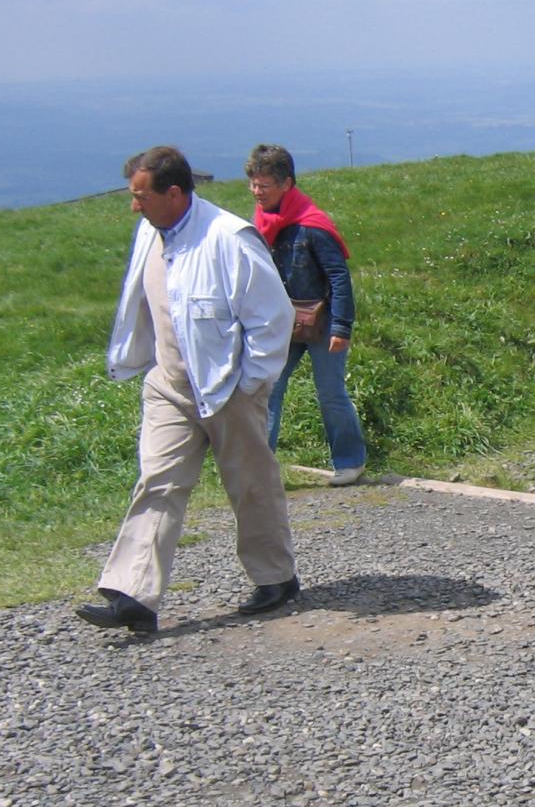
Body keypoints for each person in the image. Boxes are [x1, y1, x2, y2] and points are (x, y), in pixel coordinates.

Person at [78, 146, 299, 634]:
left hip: (229, 388)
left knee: (250, 484)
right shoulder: (149, 234)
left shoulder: (228, 238)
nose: (134, 206)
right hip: (170, 384)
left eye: (140, 196)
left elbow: (273, 318)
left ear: (173, 193)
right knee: (157, 480)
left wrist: (250, 382)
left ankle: (276, 577)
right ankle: (134, 594)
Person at [246, 144, 367, 486]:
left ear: (286, 184)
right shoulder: (260, 223)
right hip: (282, 322)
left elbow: (339, 278)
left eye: (264, 185)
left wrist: (341, 327)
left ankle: (350, 462)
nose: (257, 192)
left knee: (330, 393)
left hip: (323, 322)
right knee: (269, 389)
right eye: (254, 184)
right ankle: (260, 471)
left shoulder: (312, 225)